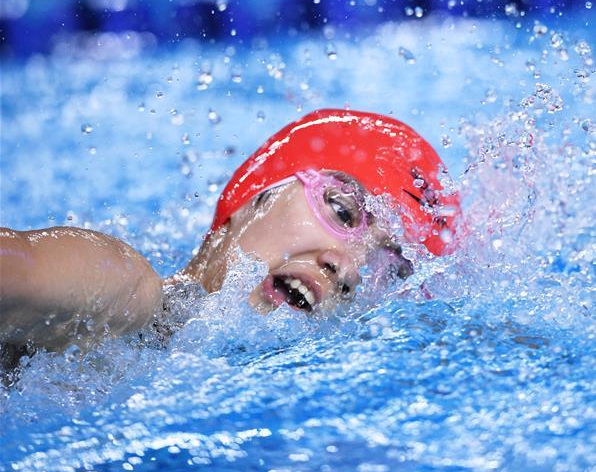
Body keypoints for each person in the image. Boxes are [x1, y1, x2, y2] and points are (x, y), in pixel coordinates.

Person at [0, 108, 461, 357]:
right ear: (251, 199)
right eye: (341, 211)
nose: (350, 268)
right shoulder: (123, 294)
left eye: (389, 267)